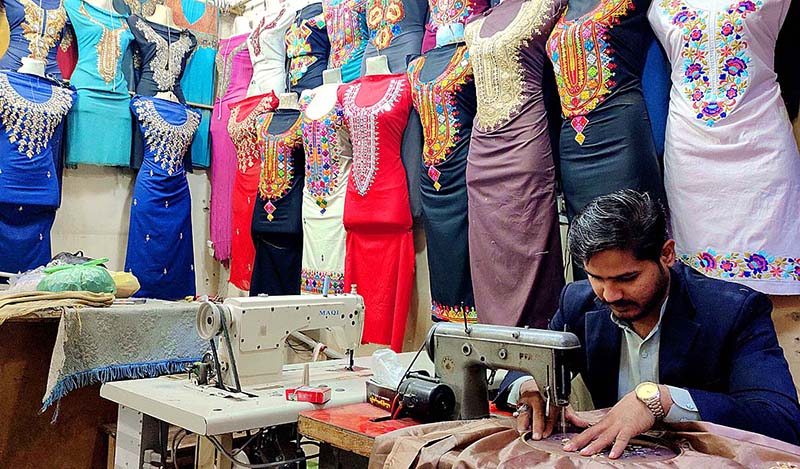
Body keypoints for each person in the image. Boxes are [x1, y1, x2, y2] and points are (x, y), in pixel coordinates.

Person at [500, 189, 800, 458]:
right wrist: (529, 387)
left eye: (627, 278)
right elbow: (524, 367)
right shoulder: (579, 302)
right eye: (596, 278)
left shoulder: (732, 311)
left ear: (666, 254)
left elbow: (780, 421)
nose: (609, 294)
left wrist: (662, 401)